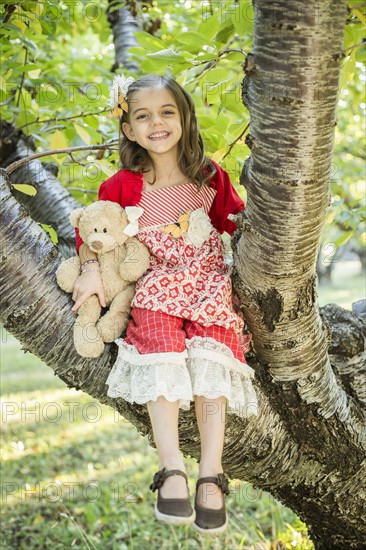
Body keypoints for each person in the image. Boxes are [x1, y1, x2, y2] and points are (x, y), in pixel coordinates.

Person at [72, 74, 258, 536]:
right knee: (158, 347)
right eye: (143, 116)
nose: (156, 123)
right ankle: (171, 465)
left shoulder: (209, 175)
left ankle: (211, 473)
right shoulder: (120, 185)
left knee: (213, 354)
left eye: (166, 112)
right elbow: (94, 233)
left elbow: (238, 223)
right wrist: (92, 270)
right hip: (154, 284)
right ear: (129, 129)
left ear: (184, 117)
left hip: (208, 283)